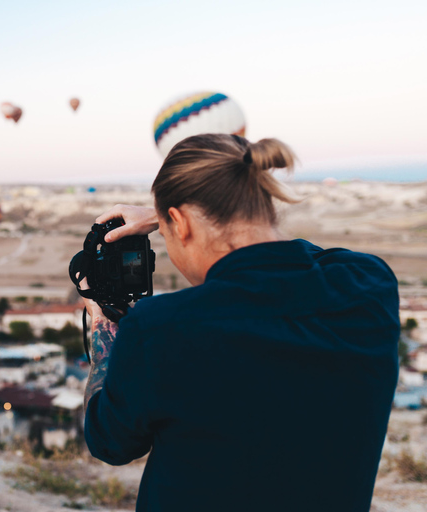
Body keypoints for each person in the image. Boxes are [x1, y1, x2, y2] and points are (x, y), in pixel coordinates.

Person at [81, 134, 400, 512]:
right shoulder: (369, 287)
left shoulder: (162, 330)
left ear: (179, 224)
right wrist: (170, 209)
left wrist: (103, 325)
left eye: (165, 233)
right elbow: (302, 258)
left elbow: (110, 442)